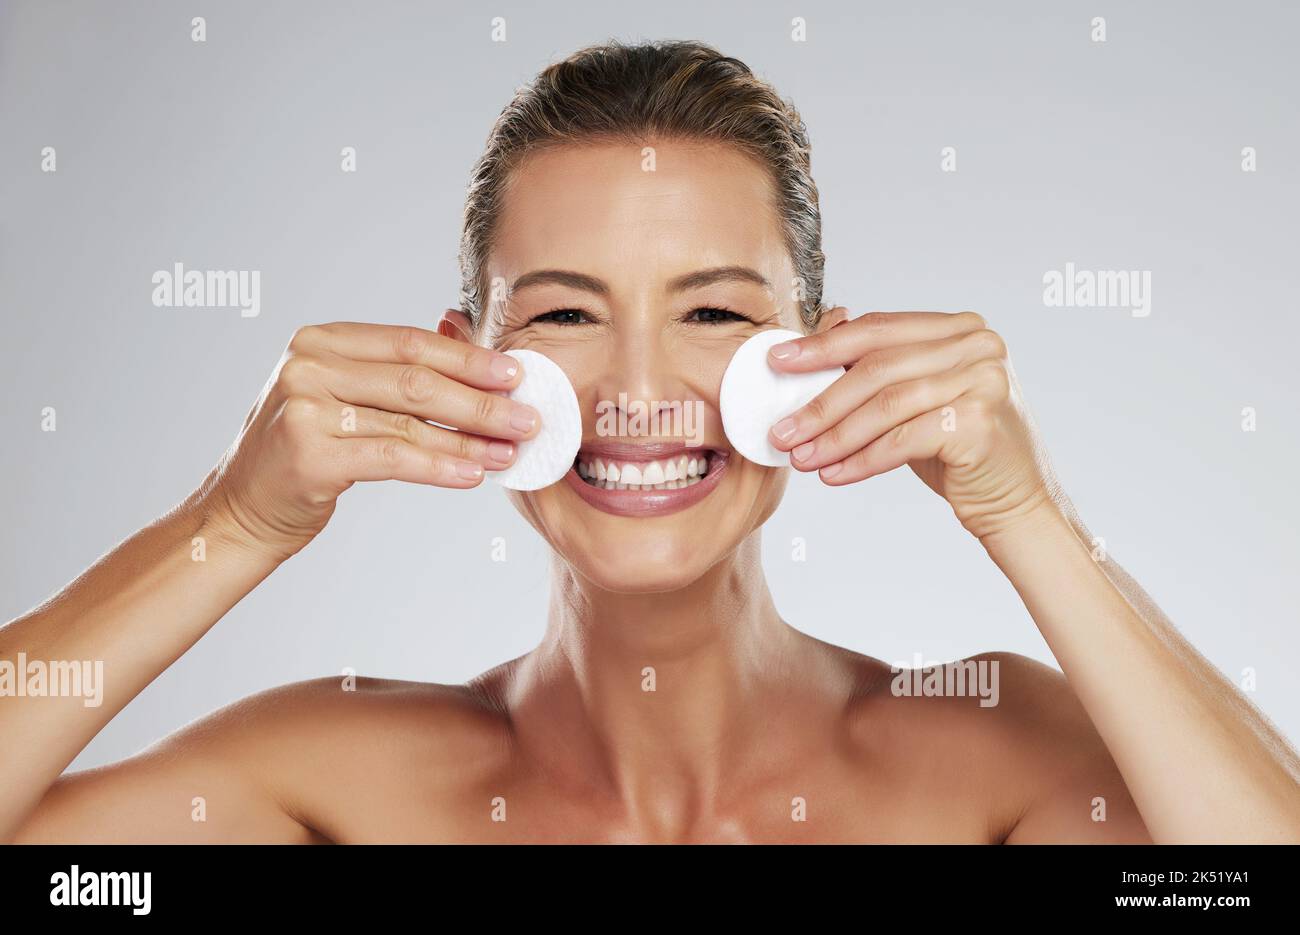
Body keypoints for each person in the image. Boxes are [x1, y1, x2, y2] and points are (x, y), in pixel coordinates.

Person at [4, 40, 1297, 843]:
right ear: (465, 353)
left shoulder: (989, 758)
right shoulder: (335, 782)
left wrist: (1031, 518)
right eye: (566, 312)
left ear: (826, 346)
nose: (634, 387)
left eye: (714, 311)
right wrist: (230, 528)